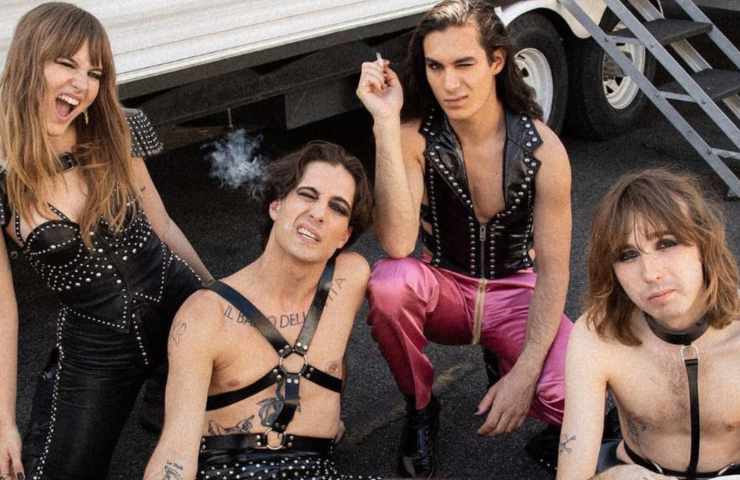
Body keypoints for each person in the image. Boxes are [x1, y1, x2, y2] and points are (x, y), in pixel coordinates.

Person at [355, 0, 574, 476]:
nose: (449, 84)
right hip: (445, 289)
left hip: (517, 294)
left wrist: (525, 374)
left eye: (464, 64)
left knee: (576, 395)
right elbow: (397, 244)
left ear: (496, 61)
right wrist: (385, 124)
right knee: (390, 283)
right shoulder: (414, 137)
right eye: (435, 67)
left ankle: (515, 370)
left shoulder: (544, 150)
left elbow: (555, 272)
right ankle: (420, 408)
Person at [0, 3, 212, 479]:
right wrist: (2, 421)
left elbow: (163, 225)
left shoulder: (112, 127)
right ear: (29, 61)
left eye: (94, 73)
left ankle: (164, 401)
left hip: (176, 301)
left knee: (247, 425)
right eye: (67, 64)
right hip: (98, 343)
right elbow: (1, 306)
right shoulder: (1, 173)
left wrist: (218, 299)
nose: (82, 84)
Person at [144, 141, 375, 480]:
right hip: (232, 471)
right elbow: (176, 450)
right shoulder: (205, 315)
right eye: (307, 195)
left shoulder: (349, 277)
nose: (319, 213)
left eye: (337, 207)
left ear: (345, 235)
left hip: (318, 469)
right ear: (276, 205)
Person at [557, 168, 740, 480]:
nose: (650, 273)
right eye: (628, 255)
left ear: (704, 244)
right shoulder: (598, 335)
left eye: (667, 243)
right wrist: (612, 477)